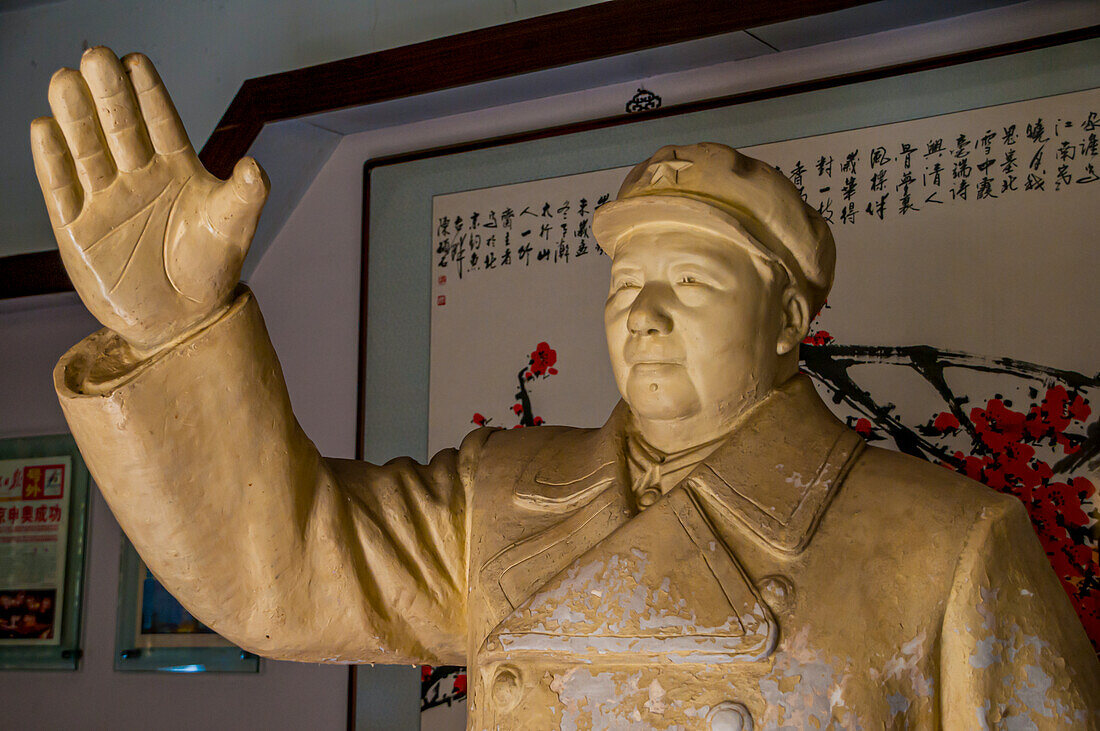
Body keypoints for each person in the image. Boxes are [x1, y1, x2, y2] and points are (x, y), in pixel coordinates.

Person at [33, 47, 1098, 729]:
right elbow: (281, 570)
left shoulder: (946, 545)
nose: (642, 313)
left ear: (787, 318)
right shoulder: (499, 494)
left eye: (689, 281)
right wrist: (174, 330)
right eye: (627, 281)